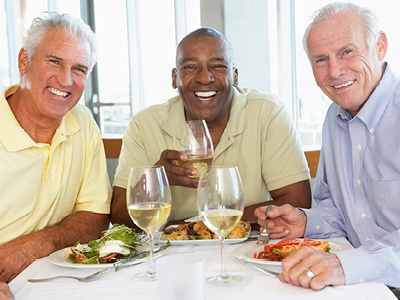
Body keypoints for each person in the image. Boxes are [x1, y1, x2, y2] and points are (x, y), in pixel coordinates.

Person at [254, 2, 400, 293]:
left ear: (380, 46)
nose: (334, 71)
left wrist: (349, 265)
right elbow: (339, 209)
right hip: (361, 284)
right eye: (320, 59)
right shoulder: (335, 116)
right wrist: (304, 221)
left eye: (346, 51)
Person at [111, 27, 311, 229]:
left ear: (235, 76)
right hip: (170, 256)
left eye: (217, 66)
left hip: (248, 251)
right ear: (174, 78)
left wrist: (193, 227)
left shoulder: (268, 112)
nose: (205, 78)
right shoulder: (144, 124)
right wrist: (157, 179)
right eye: (190, 67)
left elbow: (297, 204)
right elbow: (117, 217)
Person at [0, 12, 111, 282]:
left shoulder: (83, 122)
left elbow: (95, 215)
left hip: (56, 279)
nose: (66, 80)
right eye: (54, 61)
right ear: (24, 61)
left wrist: (36, 245)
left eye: (79, 69)